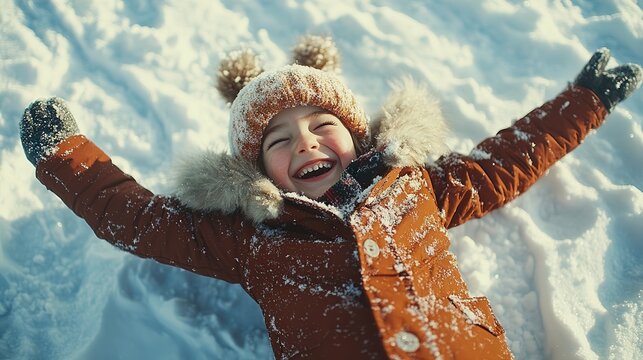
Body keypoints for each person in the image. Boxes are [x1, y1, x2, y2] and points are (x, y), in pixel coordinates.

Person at [20, 35, 641, 359]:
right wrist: (64, 157)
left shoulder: (415, 187)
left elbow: (504, 160)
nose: (306, 142)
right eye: (279, 140)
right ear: (257, 171)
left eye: (323, 126)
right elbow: (141, 219)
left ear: (357, 135)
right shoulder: (249, 235)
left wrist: (583, 101)